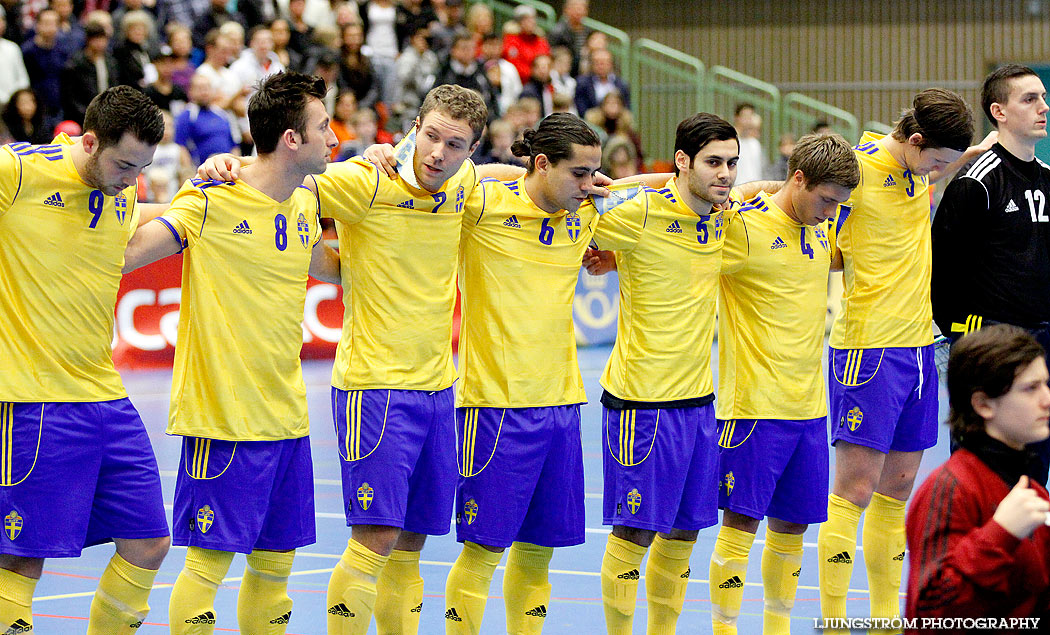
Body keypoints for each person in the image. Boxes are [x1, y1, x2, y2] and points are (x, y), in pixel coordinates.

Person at [123, 71, 340, 634]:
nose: (335, 139)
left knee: (276, 567)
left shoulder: (304, 203)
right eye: (323, 127)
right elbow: (128, 254)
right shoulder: (211, 198)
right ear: (291, 139)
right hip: (223, 418)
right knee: (207, 565)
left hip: (287, 417)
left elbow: (336, 267)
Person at [0, 85, 168, 634]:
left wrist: (210, 193)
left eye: (140, 168)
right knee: (21, 557)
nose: (129, 178)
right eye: (123, 164)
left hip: (104, 395)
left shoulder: (120, 188)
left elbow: (138, 211)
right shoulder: (20, 171)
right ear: (88, 140)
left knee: (149, 541)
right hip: (33, 399)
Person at [818, 88, 977, 634]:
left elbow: (962, 151)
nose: (937, 173)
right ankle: (835, 622)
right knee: (854, 492)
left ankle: (886, 621)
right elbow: (788, 192)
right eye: (934, 162)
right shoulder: (858, 171)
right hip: (867, 349)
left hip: (918, 349)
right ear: (914, 141)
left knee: (897, 493)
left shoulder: (919, 169)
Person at [443, 112, 602, 635]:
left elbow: (672, 185)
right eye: (579, 173)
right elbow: (435, 171)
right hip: (493, 409)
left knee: (539, 553)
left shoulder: (586, 211)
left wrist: (608, 184)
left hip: (562, 405)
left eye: (595, 174)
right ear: (540, 164)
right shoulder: (482, 205)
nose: (590, 185)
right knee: (483, 551)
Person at [583, 112, 742, 635]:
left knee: (684, 534)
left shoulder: (725, 216)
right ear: (681, 162)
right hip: (640, 403)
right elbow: (577, 192)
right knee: (635, 533)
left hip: (699, 403)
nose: (726, 174)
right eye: (713, 163)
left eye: (732, 163)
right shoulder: (638, 214)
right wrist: (632, 185)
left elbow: (776, 187)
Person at [708, 133, 860, 635]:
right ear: (798, 179)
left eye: (840, 204)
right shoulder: (743, 228)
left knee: (793, 525)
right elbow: (683, 239)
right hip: (750, 409)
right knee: (740, 525)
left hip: (809, 409)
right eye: (826, 200)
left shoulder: (821, 232)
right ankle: (725, 628)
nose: (831, 213)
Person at [931, 64, 1050, 483]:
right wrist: (967, 332)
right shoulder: (975, 182)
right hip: (991, 340)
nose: (1043, 107)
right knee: (983, 468)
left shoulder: (1048, 180)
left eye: (1043, 97)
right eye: (1029, 99)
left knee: (1034, 467)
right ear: (998, 112)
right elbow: (941, 268)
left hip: (1041, 341)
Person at [905, 324, 1050, 627]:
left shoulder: (1033, 492)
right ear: (983, 404)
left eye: (1046, 385)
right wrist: (1000, 534)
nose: (1046, 399)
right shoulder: (949, 490)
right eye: (1030, 388)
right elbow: (930, 617)